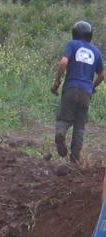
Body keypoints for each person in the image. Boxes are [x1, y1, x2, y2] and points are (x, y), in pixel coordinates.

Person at [52, 21, 104, 163]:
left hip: (71, 88)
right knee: (80, 126)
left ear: (74, 33)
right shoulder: (96, 51)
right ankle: (74, 160)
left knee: (64, 119)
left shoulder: (72, 44)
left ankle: (61, 132)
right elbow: (102, 75)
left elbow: (63, 62)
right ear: (90, 35)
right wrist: (92, 87)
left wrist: (56, 82)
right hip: (86, 92)